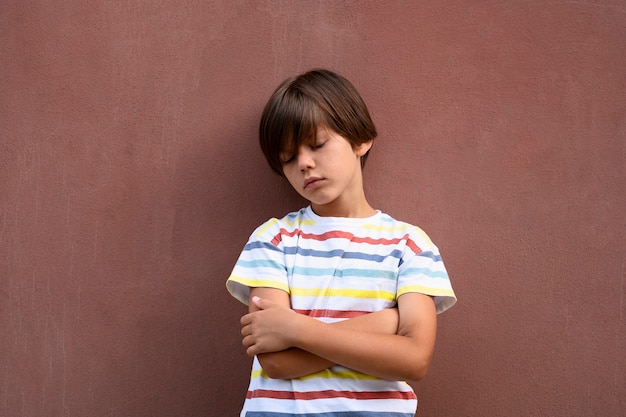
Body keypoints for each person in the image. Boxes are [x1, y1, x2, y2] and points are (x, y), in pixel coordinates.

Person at [226, 69, 456, 417]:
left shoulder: (409, 245)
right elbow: (277, 362)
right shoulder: (273, 239)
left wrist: (296, 327)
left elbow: (414, 360)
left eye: (317, 144)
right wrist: (385, 324)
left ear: (360, 139)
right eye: (288, 158)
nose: (304, 162)